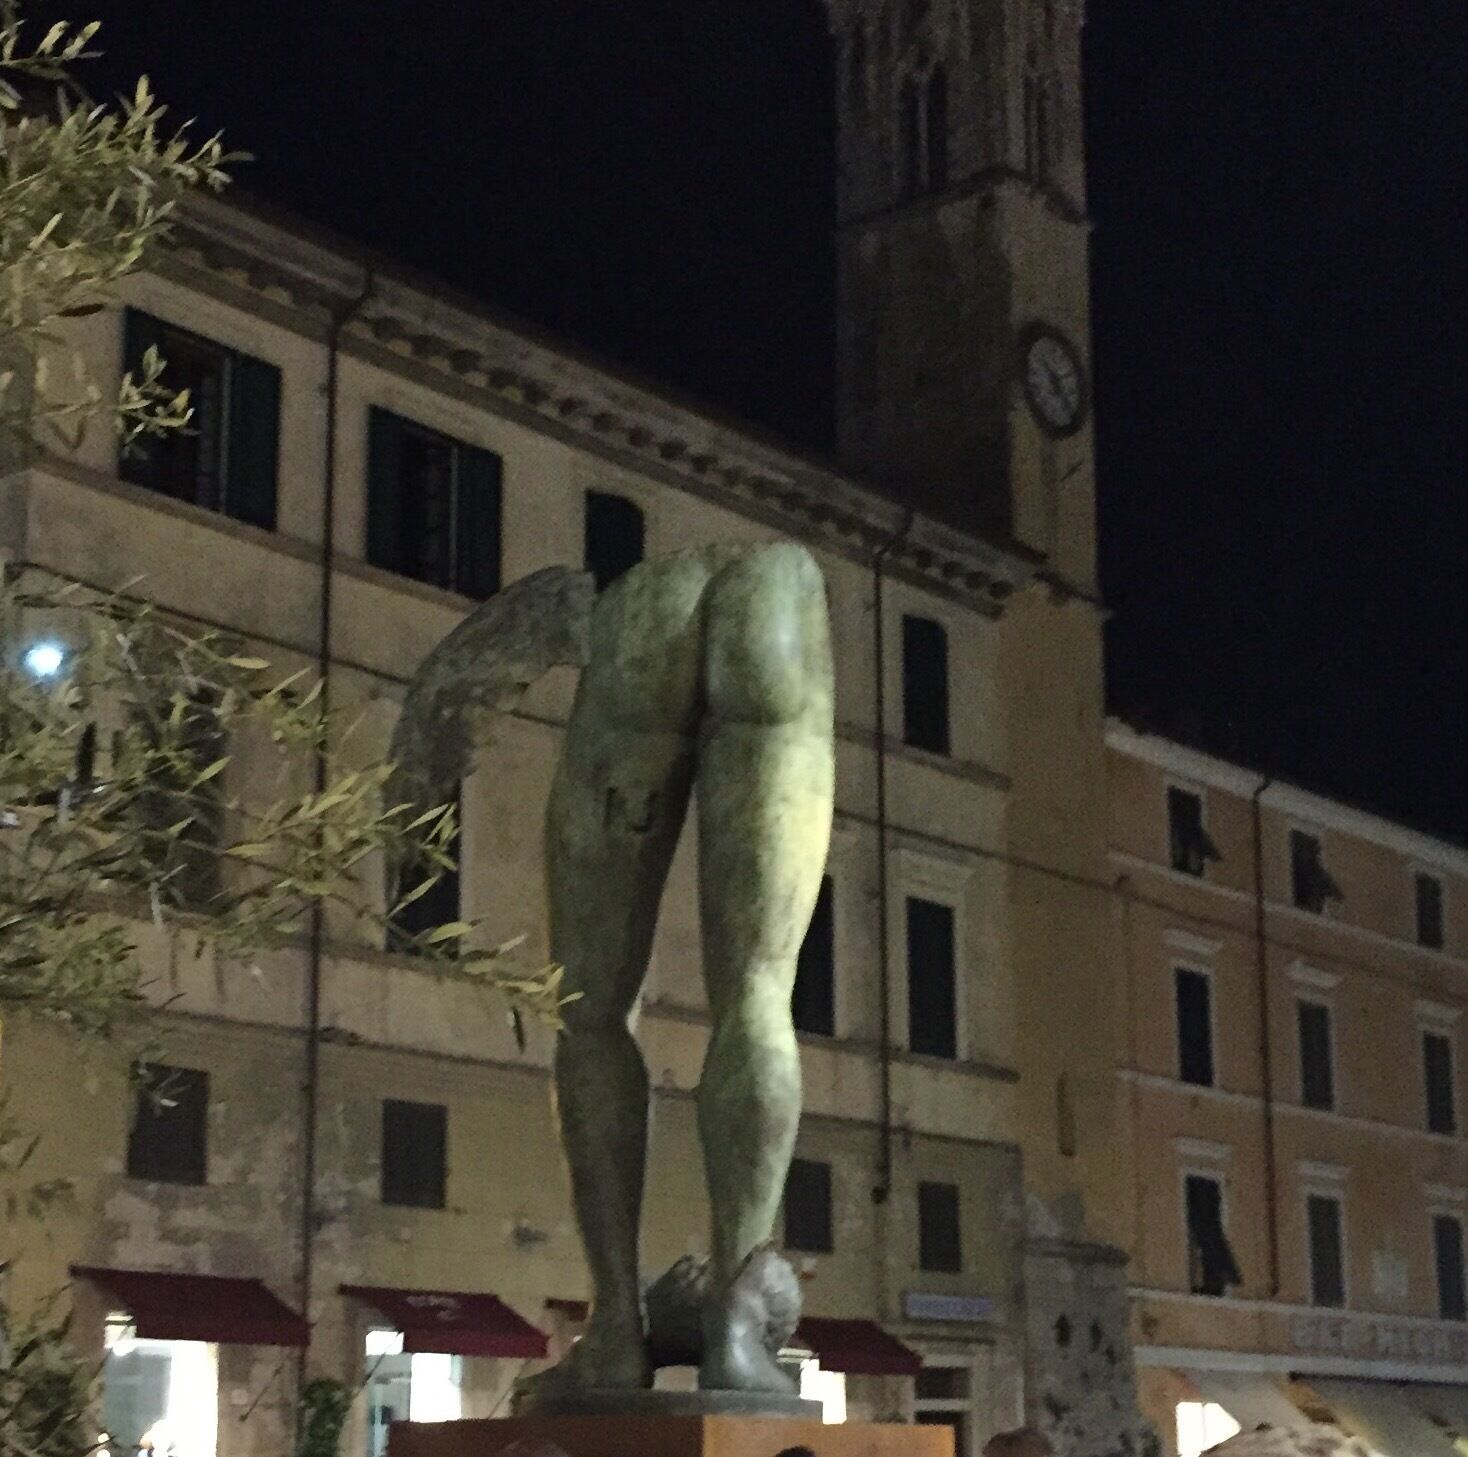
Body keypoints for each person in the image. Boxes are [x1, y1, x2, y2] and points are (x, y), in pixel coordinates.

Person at [530, 541, 835, 1396]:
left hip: (641, 613)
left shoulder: (641, 593)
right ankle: (737, 1326)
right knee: (757, 1000)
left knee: (590, 1013)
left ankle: (618, 1329)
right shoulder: (783, 578)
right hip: (778, 601)